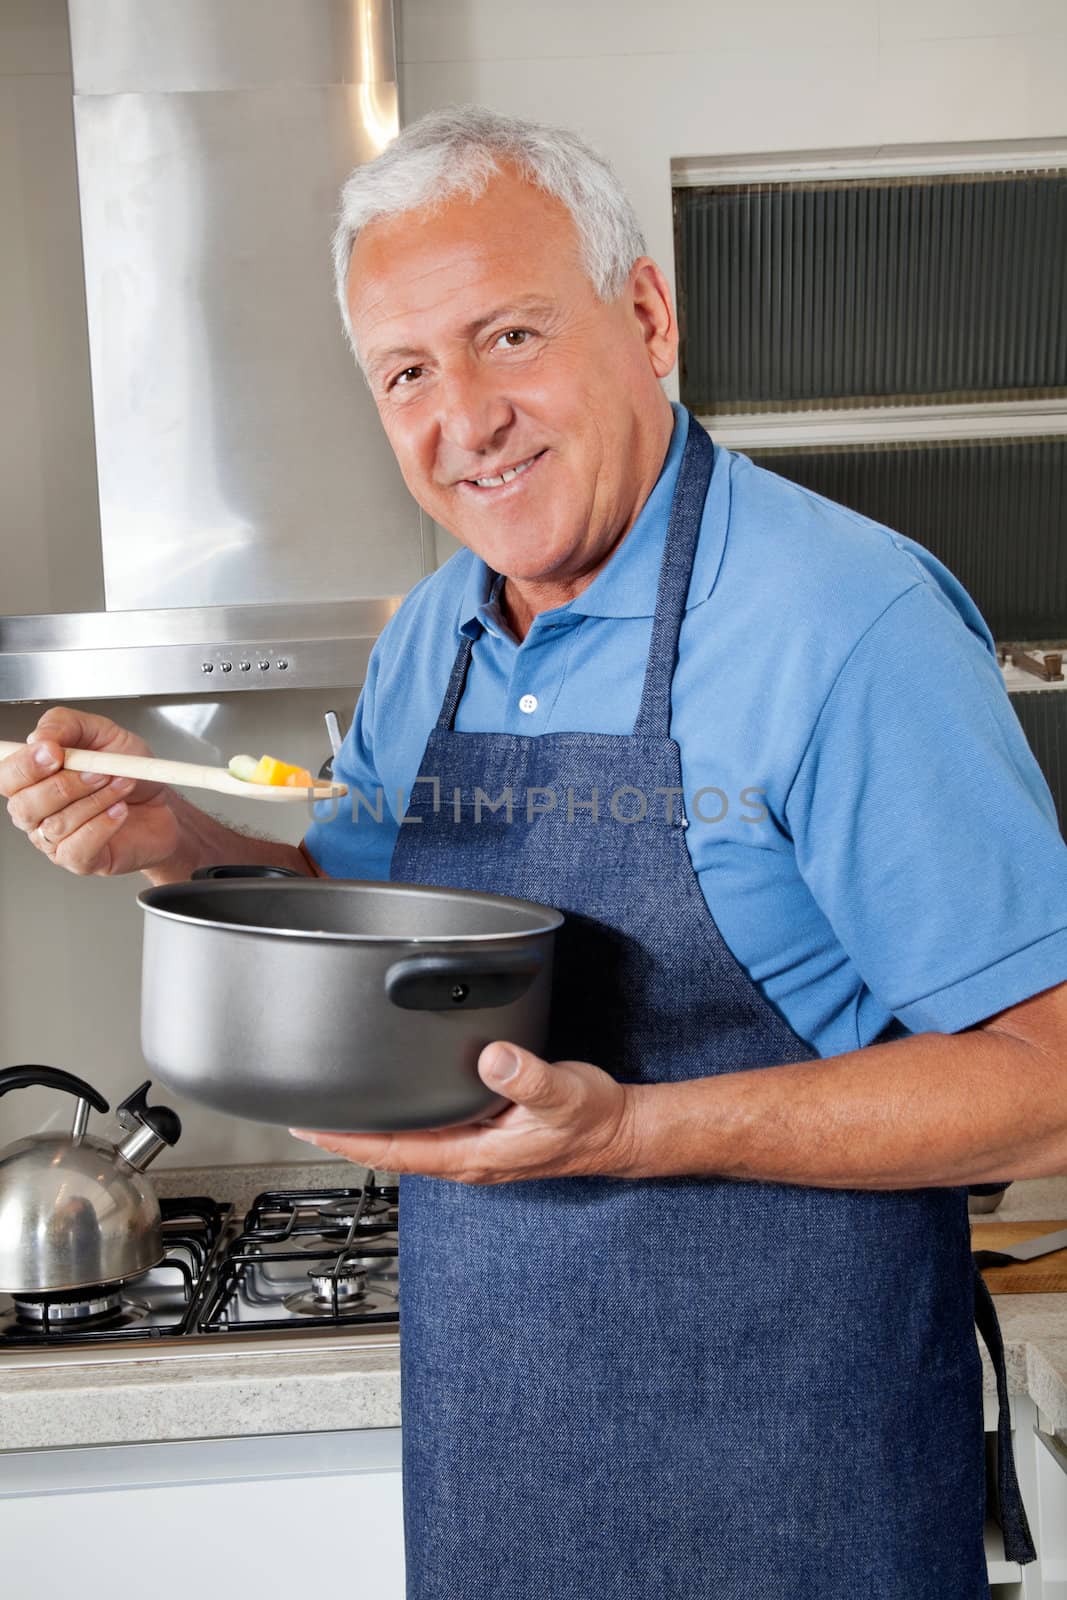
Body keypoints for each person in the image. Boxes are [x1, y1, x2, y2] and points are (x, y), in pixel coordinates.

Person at [4, 106, 1067, 1598]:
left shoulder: (847, 624)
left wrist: (632, 1128)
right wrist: (187, 843)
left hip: (797, 1483)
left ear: (645, 315)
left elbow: (1052, 1084)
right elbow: (385, 955)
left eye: (510, 336)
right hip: (502, 1470)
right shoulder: (432, 632)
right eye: (408, 372)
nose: (467, 417)